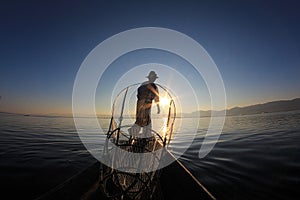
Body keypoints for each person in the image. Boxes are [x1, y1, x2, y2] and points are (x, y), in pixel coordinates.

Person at [129, 71, 160, 138]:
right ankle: (137, 133)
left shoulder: (151, 86)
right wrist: (158, 107)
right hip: (142, 103)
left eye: (154, 77)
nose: (153, 79)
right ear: (150, 78)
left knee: (145, 119)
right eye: (152, 77)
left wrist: (158, 107)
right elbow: (156, 97)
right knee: (142, 119)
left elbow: (156, 98)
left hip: (144, 104)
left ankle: (145, 134)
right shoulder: (149, 85)